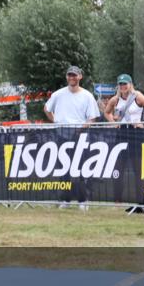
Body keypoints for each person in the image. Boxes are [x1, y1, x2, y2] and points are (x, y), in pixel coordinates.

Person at [44, 66, 99, 208]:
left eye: (74, 75)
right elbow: (47, 108)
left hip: (80, 136)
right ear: (66, 76)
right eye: (69, 75)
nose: (72, 77)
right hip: (62, 134)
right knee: (64, 170)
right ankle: (66, 200)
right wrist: (55, 121)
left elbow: (92, 118)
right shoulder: (58, 94)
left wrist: (81, 129)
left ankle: (83, 201)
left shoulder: (87, 95)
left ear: (80, 77)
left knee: (81, 169)